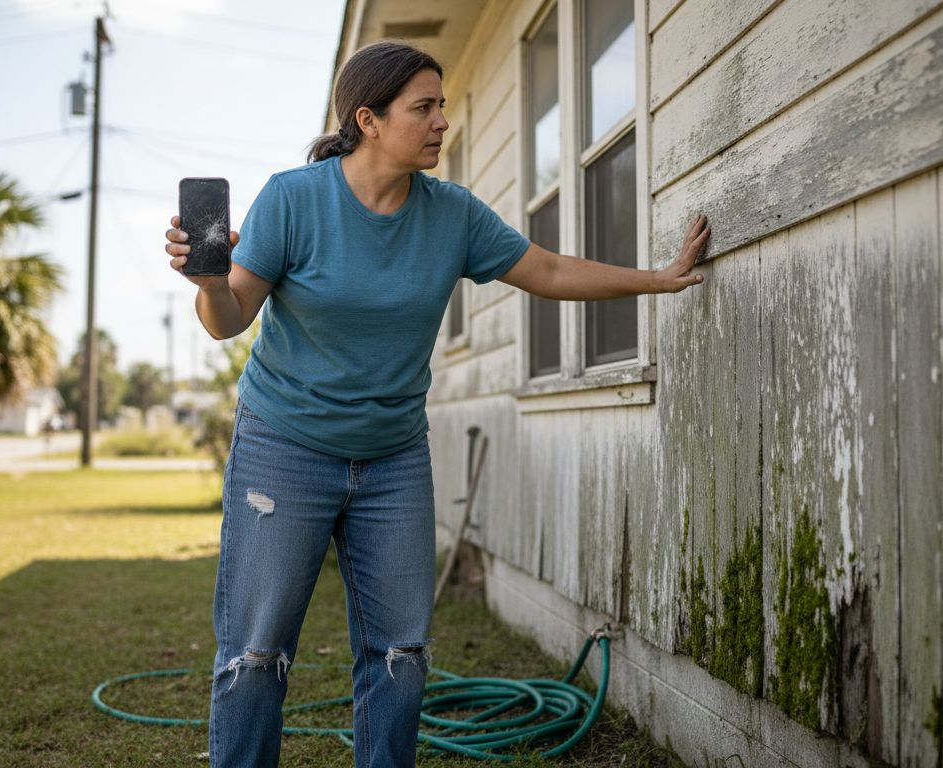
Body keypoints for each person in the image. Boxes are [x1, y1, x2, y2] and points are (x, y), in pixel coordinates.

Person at [164, 40, 709, 768]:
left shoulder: (450, 214)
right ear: (370, 119)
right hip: (284, 447)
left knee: (401, 656)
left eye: (442, 106)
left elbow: (547, 269)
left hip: (392, 457)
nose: (441, 122)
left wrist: (659, 280)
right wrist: (208, 280)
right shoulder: (293, 200)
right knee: (256, 655)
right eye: (423, 108)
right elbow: (232, 319)